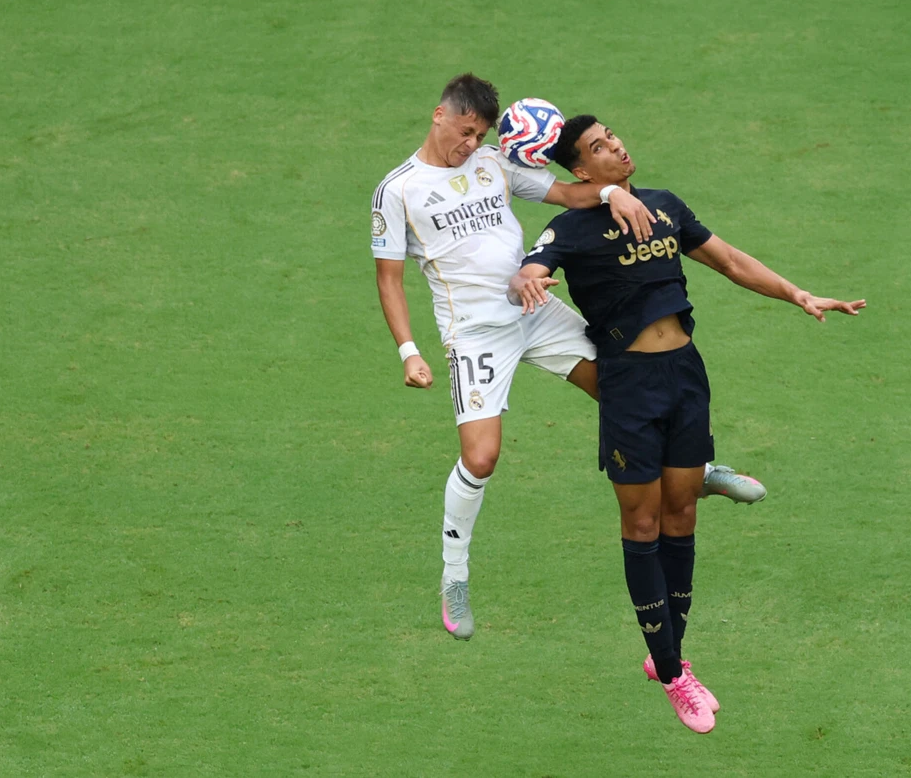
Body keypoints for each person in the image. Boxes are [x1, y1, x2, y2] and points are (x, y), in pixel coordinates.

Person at [370, 75, 768, 643]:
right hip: (476, 335)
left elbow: (568, 193)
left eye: (480, 133)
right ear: (439, 116)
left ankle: (695, 473)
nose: (470, 144)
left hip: (533, 309)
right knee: (480, 459)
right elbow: (389, 279)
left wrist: (612, 193)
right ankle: (454, 578)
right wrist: (409, 352)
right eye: (464, 132)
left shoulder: (493, 163)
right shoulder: (398, 190)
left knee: (624, 383)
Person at [508, 115, 865, 733]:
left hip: (686, 376)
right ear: (581, 172)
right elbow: (532, 270)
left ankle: (666, 655)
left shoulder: (665, 206)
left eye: (613, 136)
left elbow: (729, 261)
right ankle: (675, 674)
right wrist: (528, 279)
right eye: (598, 148)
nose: (616, 147)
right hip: (628, 388)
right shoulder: (569, 227)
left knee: (681, 514)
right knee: (642, 522)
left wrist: (798, 293)